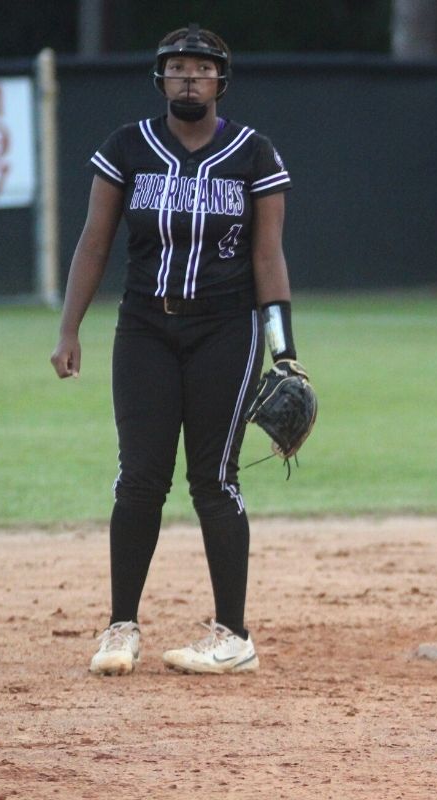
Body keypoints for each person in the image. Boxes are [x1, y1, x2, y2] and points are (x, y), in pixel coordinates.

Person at [50, 23, 306, 676]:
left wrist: (284, 353)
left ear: (222, 80)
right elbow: (94, 242)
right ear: (160, 78)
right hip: (144, 328)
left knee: (214, 479)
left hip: (227, 330)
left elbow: (268, 257)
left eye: (202, 68)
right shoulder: (127, 147)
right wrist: (69, 328)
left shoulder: (253, 154)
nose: (189, 78)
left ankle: (234, 636)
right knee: (139, 478)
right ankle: (120, 627)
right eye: (177, 67)